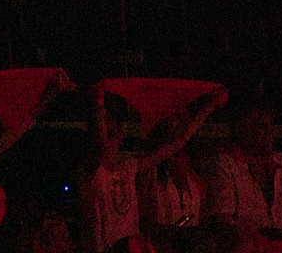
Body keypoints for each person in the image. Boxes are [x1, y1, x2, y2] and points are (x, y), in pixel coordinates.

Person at [81, 83, 224, 253]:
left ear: (120, 137)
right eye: (103, 133)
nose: (108, 141)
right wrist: (98, 108)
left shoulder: (128, 167)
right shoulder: (92, 173)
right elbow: (101, 147)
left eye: (112, 134)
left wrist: (207, 108)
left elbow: (176, 144)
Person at [203, 105, 282, 244]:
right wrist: (260, 242)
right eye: (257, 123)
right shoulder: (224, 164)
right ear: (239, 127)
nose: (266, 130)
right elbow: (222, 221)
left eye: (268, 124)